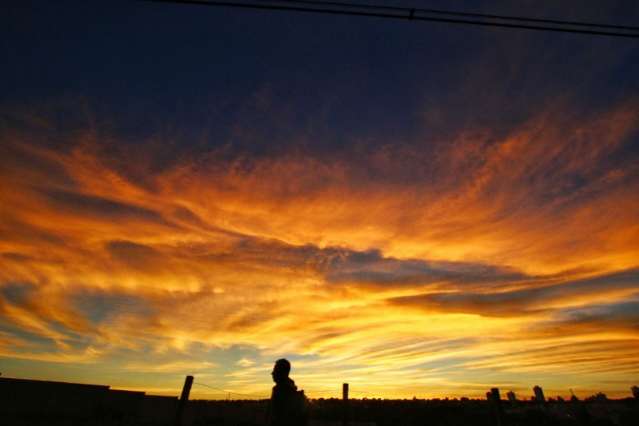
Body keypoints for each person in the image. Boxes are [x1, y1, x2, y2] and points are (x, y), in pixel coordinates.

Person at [267, 358, 308, 426]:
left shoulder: (289, 397)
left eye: (275, 370)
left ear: (281, 373)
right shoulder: (277, 391)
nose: (272, 373)